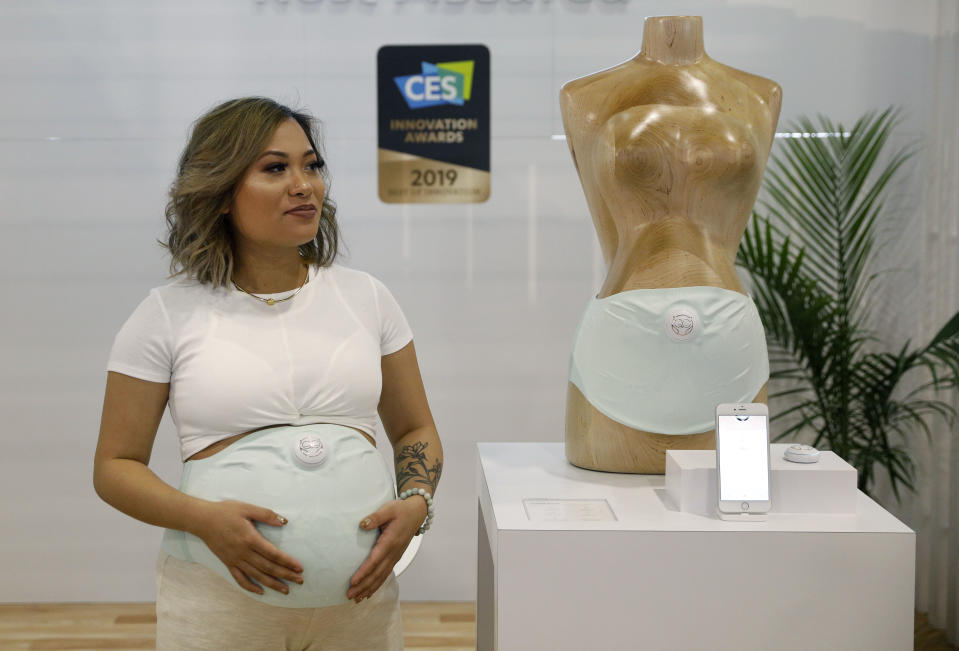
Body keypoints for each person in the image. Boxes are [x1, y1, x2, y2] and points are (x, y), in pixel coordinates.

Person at [93, 97, 442, 650]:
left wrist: (416, 504)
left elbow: (415, 430)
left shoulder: (367, 298)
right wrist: (203, 520)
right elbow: (114, 466)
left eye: (312, 165)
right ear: (223, 191)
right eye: (275, 168)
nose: (303, 184)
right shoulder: (165, 313)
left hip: (361, 603)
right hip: (218, 599)